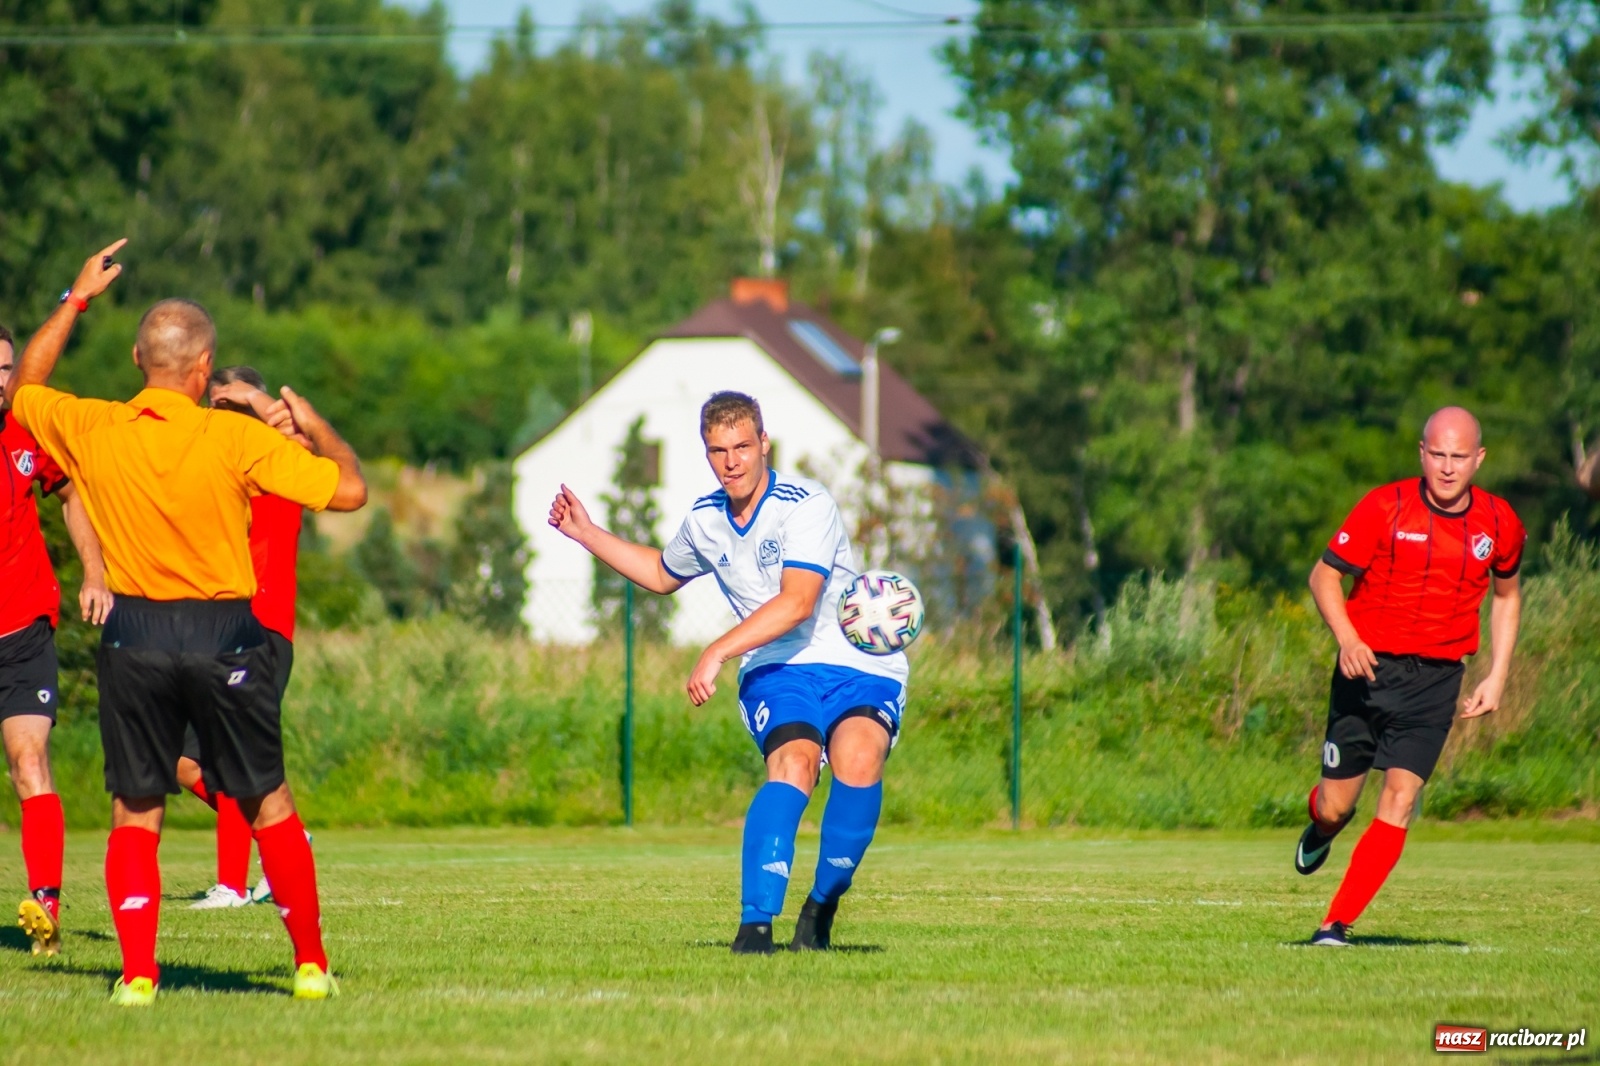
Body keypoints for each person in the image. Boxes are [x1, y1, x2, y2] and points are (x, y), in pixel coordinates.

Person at [9, 240, 368, 1005]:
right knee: (268, 798)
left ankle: (138, 975)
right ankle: (308, 964)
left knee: (135, 811)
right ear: (205, 369)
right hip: (224, 632)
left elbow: (25, 387)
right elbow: (348, 493)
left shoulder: (98, 427)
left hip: (133, 633)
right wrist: (313, 421)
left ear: (139, 356)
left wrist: (76, 300)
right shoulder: (234, 436)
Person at [549, 391, 909, 954]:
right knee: (794, 766)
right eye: (718, 450)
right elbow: (663, 573)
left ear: (764, 444)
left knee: (858, 760)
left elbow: (797, 601)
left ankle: (820, 908)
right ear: (708, 454)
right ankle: (755, 928)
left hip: (857, 661)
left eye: (743, 446)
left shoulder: (805, 503)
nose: (732, 461)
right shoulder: (705, 520)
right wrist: (586, 533)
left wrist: (715, 650)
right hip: (777, 666)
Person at [1295, 406, 1524, 947]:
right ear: (1422, 454)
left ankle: (1335, 924)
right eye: (1438, 455)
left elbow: (1508, 596)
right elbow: (1324, 576)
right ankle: (1324, 826)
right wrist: (1348, 639)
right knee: (1336, 807)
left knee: (1398, 799)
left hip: (1436, 682)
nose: (1447, 468)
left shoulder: (1500, 522)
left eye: (1459, 457)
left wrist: (1497, 675)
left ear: (1479, 459)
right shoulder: (1384, 506)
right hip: (1367, 670)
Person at [2, 323, 114, 957]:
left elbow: (72, 493)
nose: (3, 383)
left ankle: (45, 904)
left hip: (22, 630)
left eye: (7, 370)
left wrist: (95, 572)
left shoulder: (26, 431)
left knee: (29, 761)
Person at [179, 366, 308, 910]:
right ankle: (283, 837)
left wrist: (259, 403)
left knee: (226, 753)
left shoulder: (278, 463)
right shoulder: (214, 467)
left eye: (226, 406)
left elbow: (311, 445)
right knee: (180, 760)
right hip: (213, 628)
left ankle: (231, 885)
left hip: (263, 628)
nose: (215, 416)